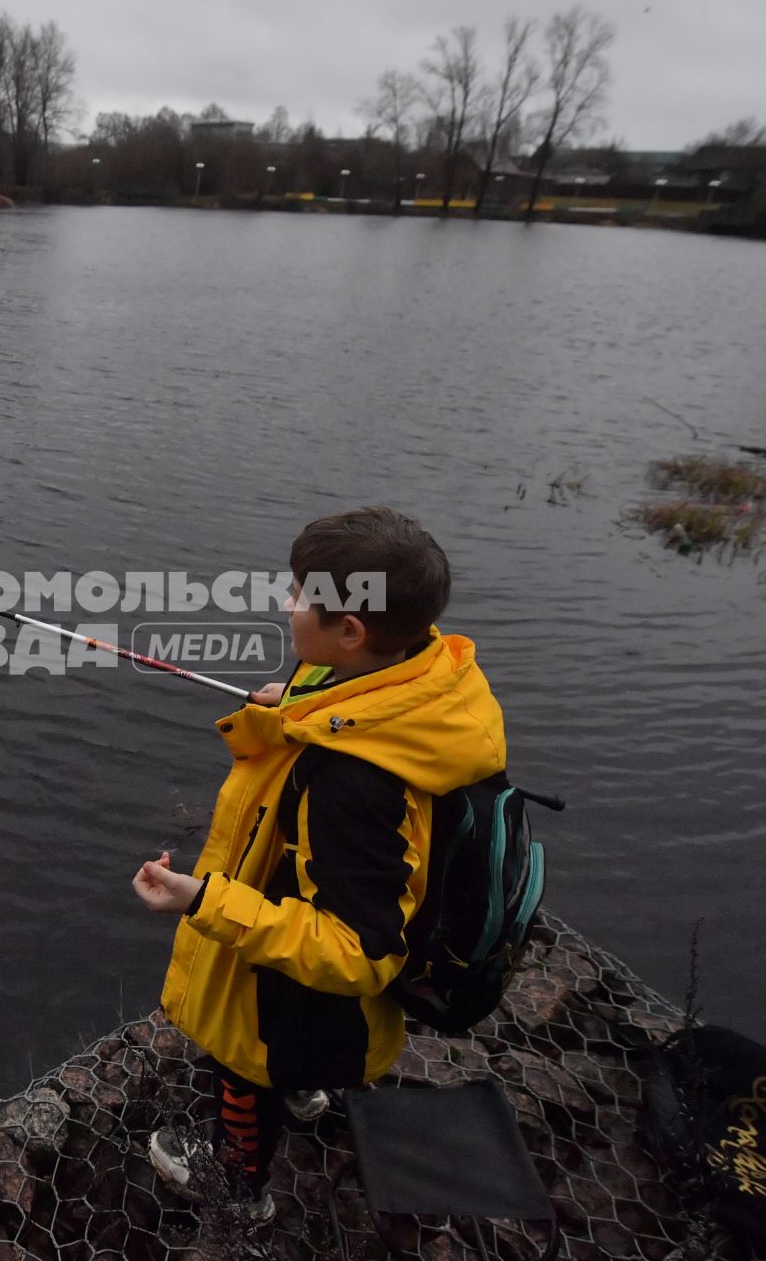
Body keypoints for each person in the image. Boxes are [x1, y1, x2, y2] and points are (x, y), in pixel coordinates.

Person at [131, 507, 507, 1222]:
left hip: (300, 979)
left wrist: (201, 900)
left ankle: (239, 1186)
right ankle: (307, 1083)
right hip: (333, 944)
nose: (286, 603)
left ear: (352, 631)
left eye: (301, 594)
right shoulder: (425, 679)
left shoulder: (353, 783)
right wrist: (300, 708)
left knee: (246, 1061)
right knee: (296, 1044)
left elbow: (358, 953)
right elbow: (354, 718)